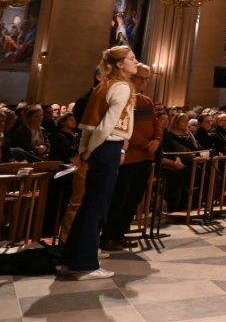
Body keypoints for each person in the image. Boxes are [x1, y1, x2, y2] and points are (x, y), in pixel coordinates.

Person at [59, 44, 139, 280]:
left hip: (97, 148)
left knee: (89, 205)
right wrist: (90, 151)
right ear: (119, 65)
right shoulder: (122, 87)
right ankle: (85, 263)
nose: (135, 61)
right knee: (97, 207)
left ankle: (71, 258)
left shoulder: (104, 85)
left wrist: (85, 150)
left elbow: (87, 125)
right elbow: (106, 126)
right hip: (107, 147)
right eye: (131, 58)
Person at [101, 62, 162, 251]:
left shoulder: (145, 101)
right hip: (127, 158)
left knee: (134, 199)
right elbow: (122, 127)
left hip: (144, 158)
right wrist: (145, 143)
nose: (143, 82)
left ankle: (120, 234)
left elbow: (155, 123)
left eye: (146, 79)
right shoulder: (120, 99)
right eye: (139, 78)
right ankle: (108, 236)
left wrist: (157, 140)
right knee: (119, 199)